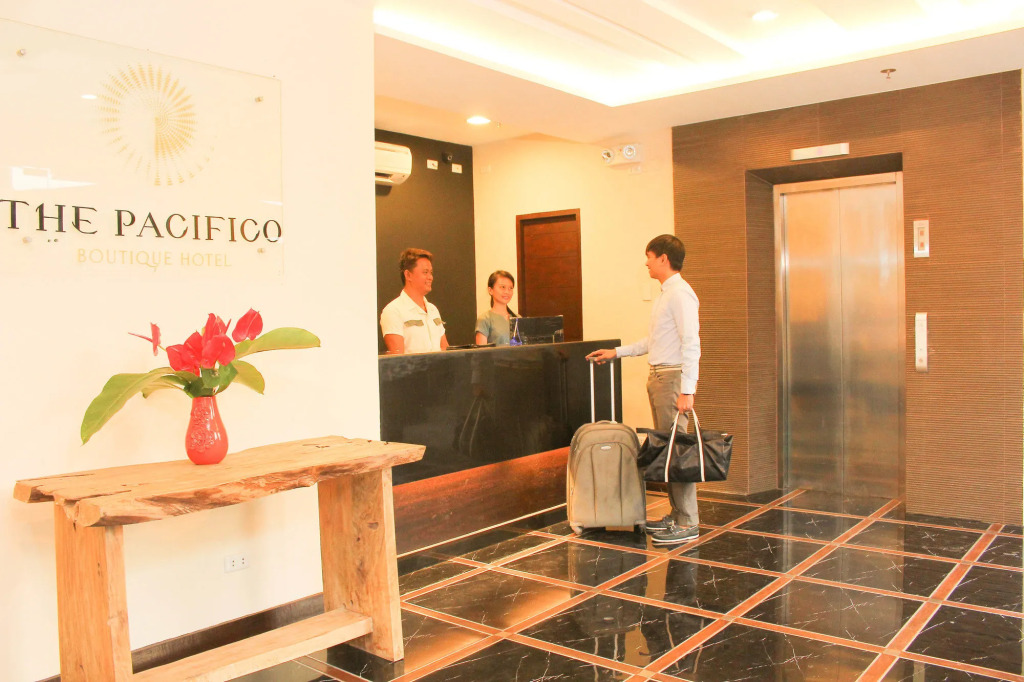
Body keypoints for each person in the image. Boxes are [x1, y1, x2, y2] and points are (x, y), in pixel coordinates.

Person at [586, 234, 701, 545]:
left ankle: (688, 521)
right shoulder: (667, 294)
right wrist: (617, 352)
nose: (646, 263)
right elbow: (655, 342)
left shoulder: (680, 294)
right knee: (668, 450)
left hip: (672, 380)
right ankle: (678, 514)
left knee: (676, 451)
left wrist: (687, 390)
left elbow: (692, 344)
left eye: (649, 257)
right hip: (661, 379)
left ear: (663, 258)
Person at [380, 248, 449, 354]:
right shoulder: (393, 311)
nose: (430, 277)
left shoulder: (433, 309)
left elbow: (445, 349)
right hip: (413, 366)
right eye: (425, 272)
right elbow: (398, 358)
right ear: (408, 275)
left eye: (431, 272)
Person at [475, 270, 519, 345]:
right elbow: (481, 350)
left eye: (510, 288)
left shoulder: (518, 318)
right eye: (503, 287)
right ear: (490, 290)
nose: (507, 292)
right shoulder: (485, 319)